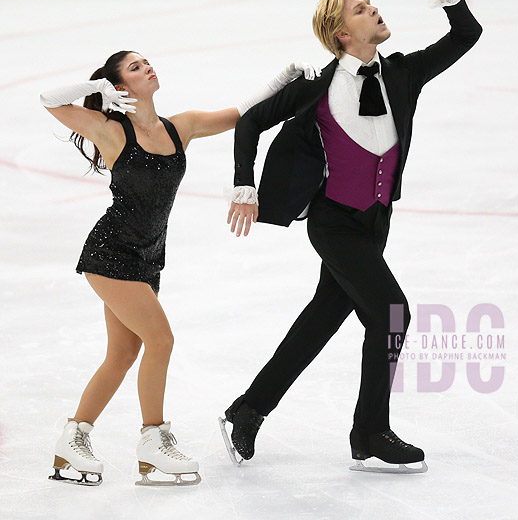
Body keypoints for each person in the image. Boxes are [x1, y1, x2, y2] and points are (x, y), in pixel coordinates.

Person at [220, 0, 482, 473]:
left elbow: (465, 36)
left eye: (371, 4)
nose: (374, 9)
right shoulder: (316, 88)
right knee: (392, 312)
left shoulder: (403, 74)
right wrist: (245, 184)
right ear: (342, 33)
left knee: (322, 319)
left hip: (376, 220)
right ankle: (370, 431)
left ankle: (248, 410)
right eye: (362, 9)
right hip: (333, 222)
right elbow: (250, 122)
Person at [40, 51, 319, 486]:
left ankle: (72, 438)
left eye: (146, 61)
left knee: (122, 354)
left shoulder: (179, 127)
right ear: (120, 86)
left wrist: (283, 79)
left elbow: (240, 115)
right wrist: (96, 89)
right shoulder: (111, 130)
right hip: (110, 253)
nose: (147, 67)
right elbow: (49, 100)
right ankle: (153, 441)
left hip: (148, 258)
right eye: (135, 67)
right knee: (161, 340)